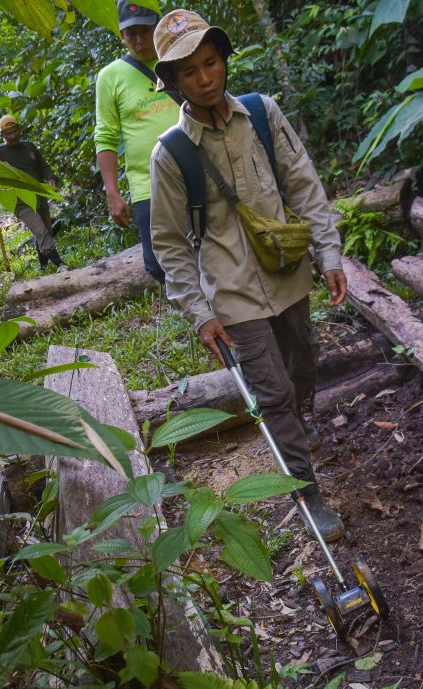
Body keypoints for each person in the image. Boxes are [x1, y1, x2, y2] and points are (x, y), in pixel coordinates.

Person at [148, 9, 349, 542]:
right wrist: (199, 313)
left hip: (288, 276)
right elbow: (168, 242)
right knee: (274, 393)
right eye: (189, 72)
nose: (205, 78)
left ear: (223, 61)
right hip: (233, 295)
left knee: (302, 373)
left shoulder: (263, 114)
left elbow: (303, 183)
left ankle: (296, 441)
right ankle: (306, 494)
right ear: (171, 83)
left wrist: (329, 255)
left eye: (210, 63)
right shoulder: (170, 154)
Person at [94, 2, 180, 283]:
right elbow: (105, 136)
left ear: (159, 27)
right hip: (148, 187)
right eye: (132, 33)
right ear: (121, 35)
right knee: (158, 266)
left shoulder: (179, 58)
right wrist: (112, 192)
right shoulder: (110, 76)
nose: (141, 40)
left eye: (146, 30)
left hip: (197, 173)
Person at [0, 114, 67, 272]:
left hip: (39, 194)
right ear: (3, 135)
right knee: (40, 229)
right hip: (19, 201)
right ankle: (60, 265)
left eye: (14, 131)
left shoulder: (29, 146)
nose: (12, 136)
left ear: (19, 129)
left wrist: (50, 178)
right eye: (8, 133)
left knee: (45, 230)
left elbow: (43, 166)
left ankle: (43, 267)